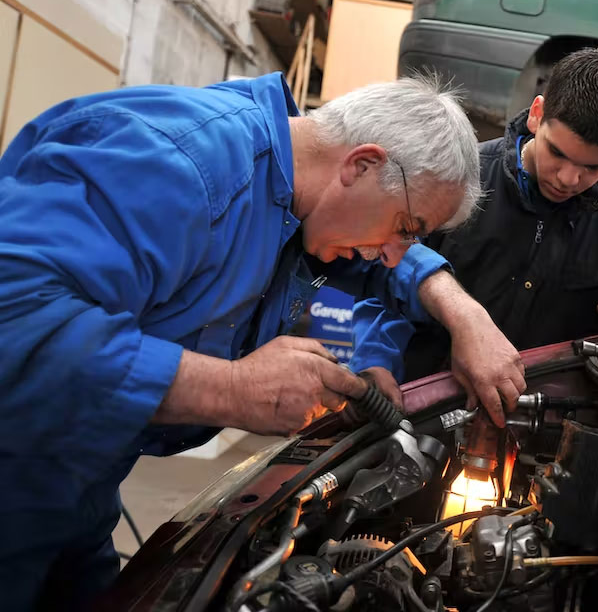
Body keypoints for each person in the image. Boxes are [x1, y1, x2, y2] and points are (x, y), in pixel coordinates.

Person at [0, 72, 518, 609]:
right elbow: (15, 318)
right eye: (407, 227)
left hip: (82, 484)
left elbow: (343, 297)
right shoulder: (179, 161)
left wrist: (419, 334)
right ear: (362, 164)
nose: (394, 252)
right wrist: (229, 387)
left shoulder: (293, 211)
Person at [350, 48, 598, 420]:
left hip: (556, 430)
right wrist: (376, 362)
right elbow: (390, 275)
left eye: (593, 167)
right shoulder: (457, 180)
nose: (569, 179)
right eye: (558, 154)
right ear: (537, 114)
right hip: (432, 414)